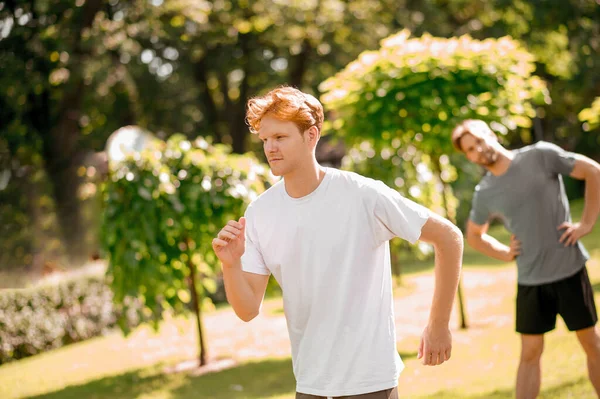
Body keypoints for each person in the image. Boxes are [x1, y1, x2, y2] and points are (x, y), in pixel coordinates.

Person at [212, 86, 464, 399]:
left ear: (311, 136)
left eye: (280, 137)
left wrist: (438, 324)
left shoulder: (362, 195)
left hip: (370, 383)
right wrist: (230, 264)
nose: (270, 148)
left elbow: (449, 238)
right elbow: (248, 309)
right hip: (310, 384)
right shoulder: (260, 213)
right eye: (265, 139)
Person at [451, 119, 600, 399]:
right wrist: (504, 253)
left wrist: (586, 224)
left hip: (569, 269)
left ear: (492, 133)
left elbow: (593, 171)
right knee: (529, 353)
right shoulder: (485, 193)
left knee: (591, 343)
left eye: (480, 140)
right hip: (531, 280)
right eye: (471, 149)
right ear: (468, 156)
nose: (479, 149)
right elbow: (474, 235)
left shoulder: (540, 155)